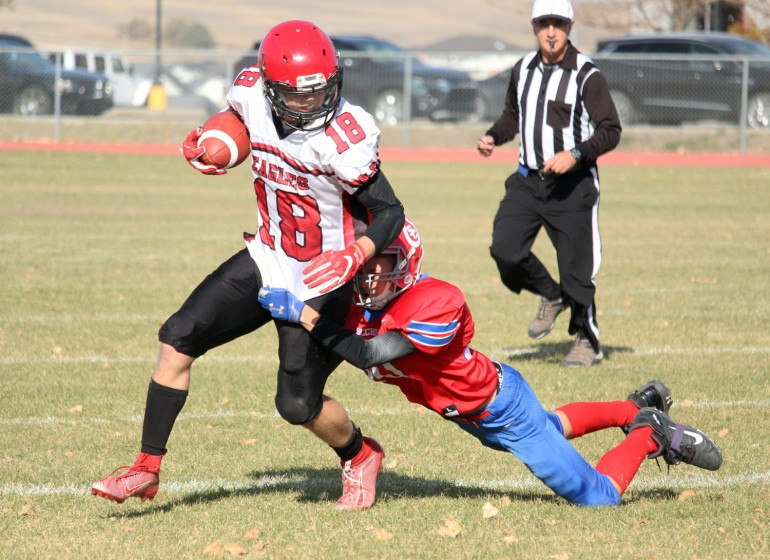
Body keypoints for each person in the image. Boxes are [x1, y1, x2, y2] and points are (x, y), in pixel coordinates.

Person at [91, 20, 405, 511]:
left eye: (322, 91)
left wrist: (357, 253)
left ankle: (360, 454)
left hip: (324, 275)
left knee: (296, 405)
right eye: (299, 96)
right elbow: (235, 121)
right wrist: (214, 143)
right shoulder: (253, 94)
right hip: (267, 254)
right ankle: (146, 469)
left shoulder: (345, 136)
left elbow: (390, 211)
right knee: (177, 336)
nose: (314, 103)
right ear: (271, 87)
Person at [257, 218, 722, 507]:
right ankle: (632, 407)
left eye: (380, 264)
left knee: (597, 496)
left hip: (502, 408)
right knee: (553, 425)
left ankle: (650, 433)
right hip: (475, 411)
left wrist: (305, 314)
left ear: (405, 263)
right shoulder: (365, 306)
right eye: (366, 264)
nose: (368, 273)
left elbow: (370, 353)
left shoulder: (436, 301)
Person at [476, 0, 622, 367]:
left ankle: (588, 341)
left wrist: (575, 154)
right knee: (505, 250)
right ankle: (550, 295)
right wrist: (494, 135)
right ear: (534, 27)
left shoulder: (587, 75)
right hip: (527, 181)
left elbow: (611, 130)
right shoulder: (522, 69)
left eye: (558, 23)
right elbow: (512, 116)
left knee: (577, 270)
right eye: (544, 24)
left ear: (570, 27)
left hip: (572, 186)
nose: (551, 32)